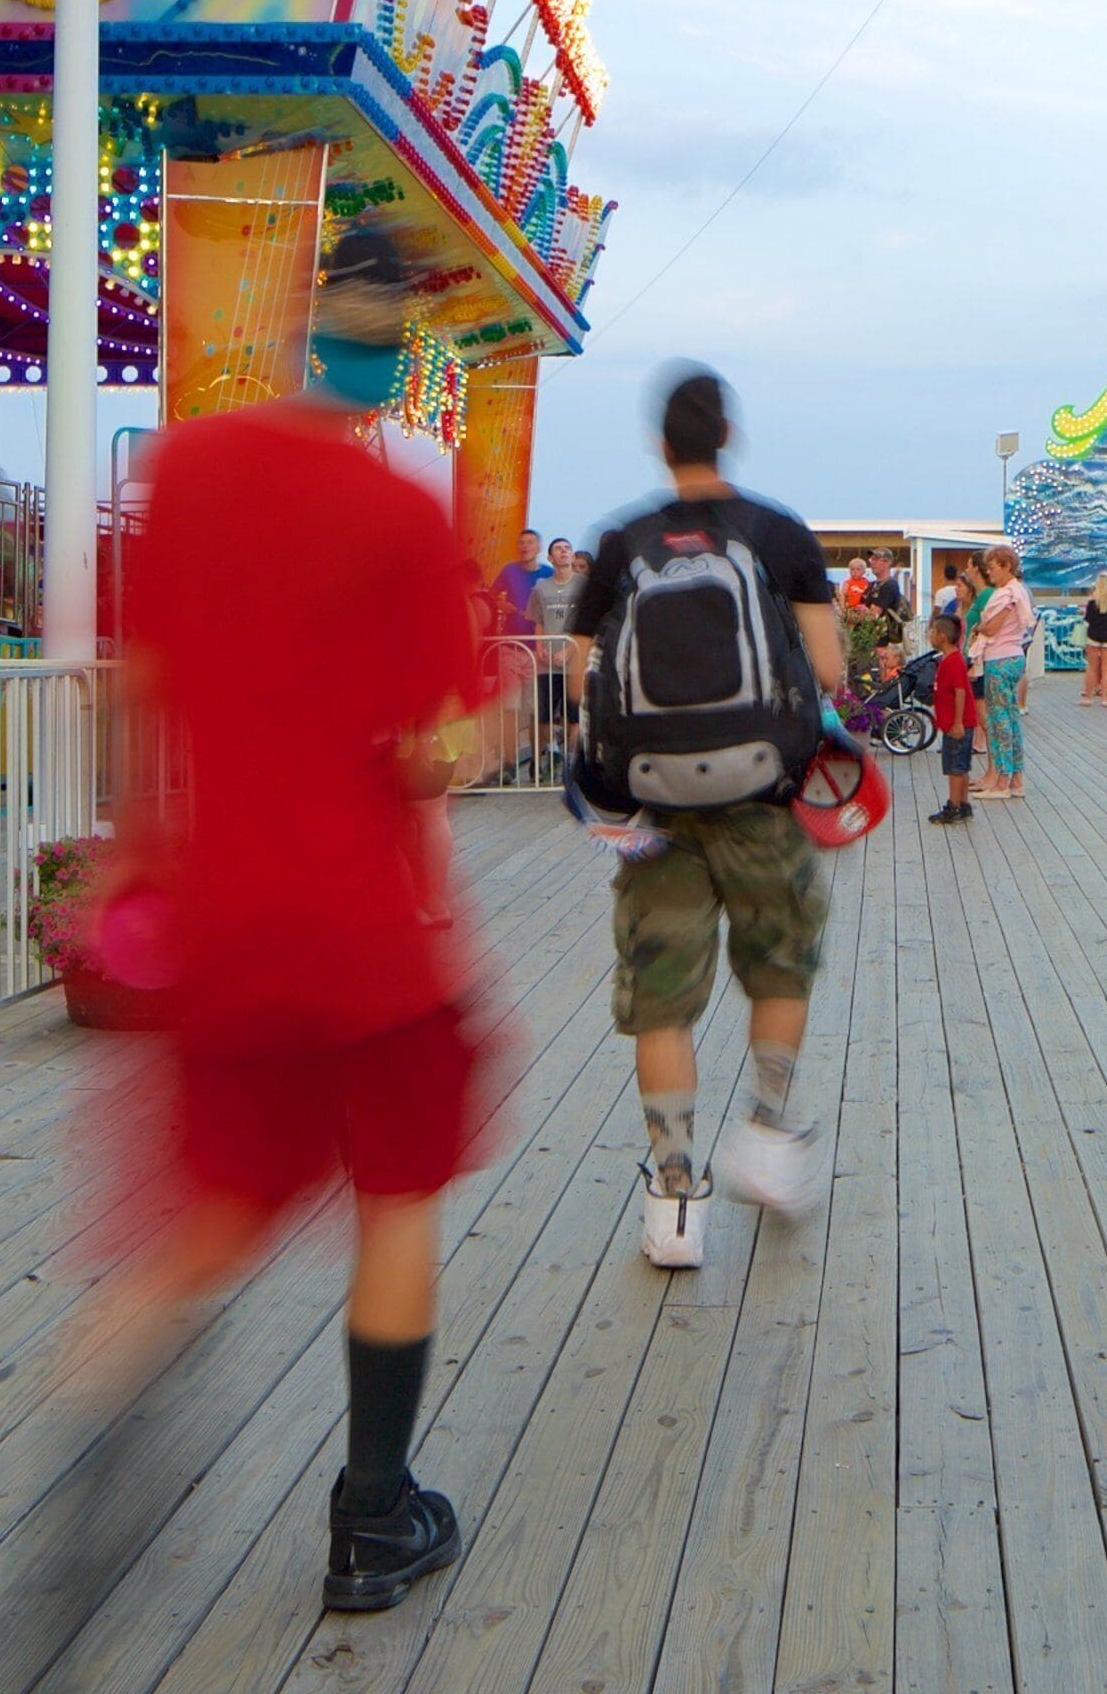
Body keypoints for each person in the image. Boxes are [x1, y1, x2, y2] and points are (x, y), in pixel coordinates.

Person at [85, 223, 491, 1613]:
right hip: (369, 931)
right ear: (396, 350)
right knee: (394, 1197)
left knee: (209, 1214)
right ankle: (374, 1518)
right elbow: (451, 741)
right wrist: (420, 756)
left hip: (225, 917)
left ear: (300, 328)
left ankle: (100, 1414)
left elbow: (135, 690)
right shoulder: (406, 510)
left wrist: (140, 854)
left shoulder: (186, 470)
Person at [565, 368, 848, 1271]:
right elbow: (831, 670)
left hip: (655, 811)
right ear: (728, 432)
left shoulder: (623, 541)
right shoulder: (777, 533)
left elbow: (582, 675)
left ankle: (676, 1197)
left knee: (663, 999)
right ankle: (765, 1136)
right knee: (779, 969)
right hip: (763, 800)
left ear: (661, 443)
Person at [969, 546, 1036, 800]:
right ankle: (1016, 778)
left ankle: (1002, 781)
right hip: (1014, 655)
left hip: (1000, 657)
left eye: (993, 567)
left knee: (998, 722)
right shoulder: (1018, 591)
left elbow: (993, 628)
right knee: (1010, 718)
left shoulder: (1007, 594)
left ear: (1007, 566)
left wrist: (980, 627)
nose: (990, 572)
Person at [926, 612, 981, 822]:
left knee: (955, 768)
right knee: (961, 765)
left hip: (957, 725)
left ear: (942, 636)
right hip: (952, 723)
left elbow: (960, 691)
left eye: (932, 632)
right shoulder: (949, 660)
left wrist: (957, 722)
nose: (930, 636)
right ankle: (964, 803)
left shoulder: (953, 662)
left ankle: (953, 806)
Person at [492, 529, 551, 638]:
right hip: (511, 641)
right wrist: (500, 603)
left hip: (541, 644)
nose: (525, 546)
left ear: (539, 548)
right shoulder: (508, 570)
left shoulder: (549, 573)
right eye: (521, 543)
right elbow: (490, 596)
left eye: (530, 542)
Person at [1076, 571, 1107, 706]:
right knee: (1106, 668)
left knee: (1092, 667)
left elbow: (1088, 619)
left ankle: (1088, 697)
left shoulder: (1092, 601)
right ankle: (1105, 698)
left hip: (1093, 635)